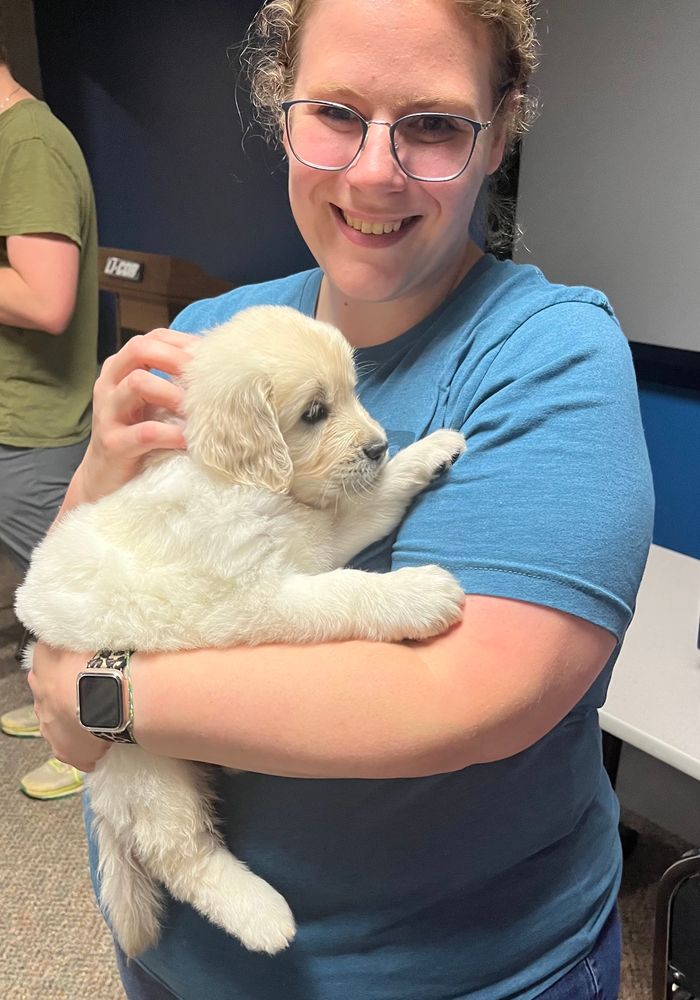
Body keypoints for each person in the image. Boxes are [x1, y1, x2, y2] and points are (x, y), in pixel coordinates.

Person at [28, 0, 654, 997]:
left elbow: (471, 694)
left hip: (461, 974)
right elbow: (83, 583)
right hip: (181, 963)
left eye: (434, 124)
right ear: (281, 111)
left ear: (498, 134)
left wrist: (102, 692)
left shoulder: (548, 354)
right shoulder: (210, 333)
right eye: (335, 112)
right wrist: (101, 469)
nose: (373, 171)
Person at [0, 26, 98, 800]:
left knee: (79, 594)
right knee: (45, 589)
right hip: (13, 419)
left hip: (33, 425)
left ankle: (92, 739)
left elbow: (46, 299)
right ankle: (49, 693)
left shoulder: (28, 143)